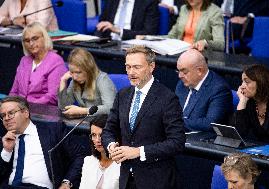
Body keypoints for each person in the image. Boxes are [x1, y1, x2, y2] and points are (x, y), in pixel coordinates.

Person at [101, 45, 185, 189]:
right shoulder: (123, 95)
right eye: (128, 67)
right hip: (127, 179)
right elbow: (109, 130)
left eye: (137, 67)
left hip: (156, 180)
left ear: (151, 66)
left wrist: (139, 151)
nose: (131, 72)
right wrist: (111, 146)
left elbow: (177, 142)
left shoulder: (167, 98)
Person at [0, 96, 86, 189]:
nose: (7, 118)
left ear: (25, 112)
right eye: (3, 115)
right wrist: (6, 151)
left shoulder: (53, 131)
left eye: (11, 113)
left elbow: (79, 155)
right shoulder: (3, 140)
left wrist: (67, 182)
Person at [9, 22, 67, 106]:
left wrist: (25, 107)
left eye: (35, 38)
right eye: (27, 40)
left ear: (44, 38)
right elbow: (14, 91)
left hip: (43, 112)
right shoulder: (24, 60)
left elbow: (53, 97)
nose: (31, 44)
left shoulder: (55, 61)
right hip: (20, 110)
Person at [175, 48, 233, 131]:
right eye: (178, 71)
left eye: (184, 72)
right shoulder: (181, 84)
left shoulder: (219, 89)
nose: (180, 76)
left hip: (201, 139)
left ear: (199, 70)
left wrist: (176, 123)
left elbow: (210, 124)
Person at [233, 64, 269, 145]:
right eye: (242, 82)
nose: (242, 86)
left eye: (246, 82)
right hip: (261, 151)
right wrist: (242, 102)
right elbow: (240, 134)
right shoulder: (249, 101)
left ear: (260, 83)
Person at [58, 47, 116, 117]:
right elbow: (64, 108)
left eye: (78, 72)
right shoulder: (74, 81)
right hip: (86, 122)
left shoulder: (102, 80)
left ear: (88, 69)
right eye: (72, 72)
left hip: (104, 124)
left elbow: (110, 108)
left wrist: (82, 111)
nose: (74, 77)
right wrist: (63, 81)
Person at [79, 114, 120, 189]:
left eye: (102, 134)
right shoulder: (88, 161)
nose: (97, 140)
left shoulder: (122, 165)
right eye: (94, 135)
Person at [95, 0, 160, 40]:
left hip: (133, 47)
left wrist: (119, 31)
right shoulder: (111, 1)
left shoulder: (149, 2)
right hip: (108, 43)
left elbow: (149, 32)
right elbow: (102, 23)